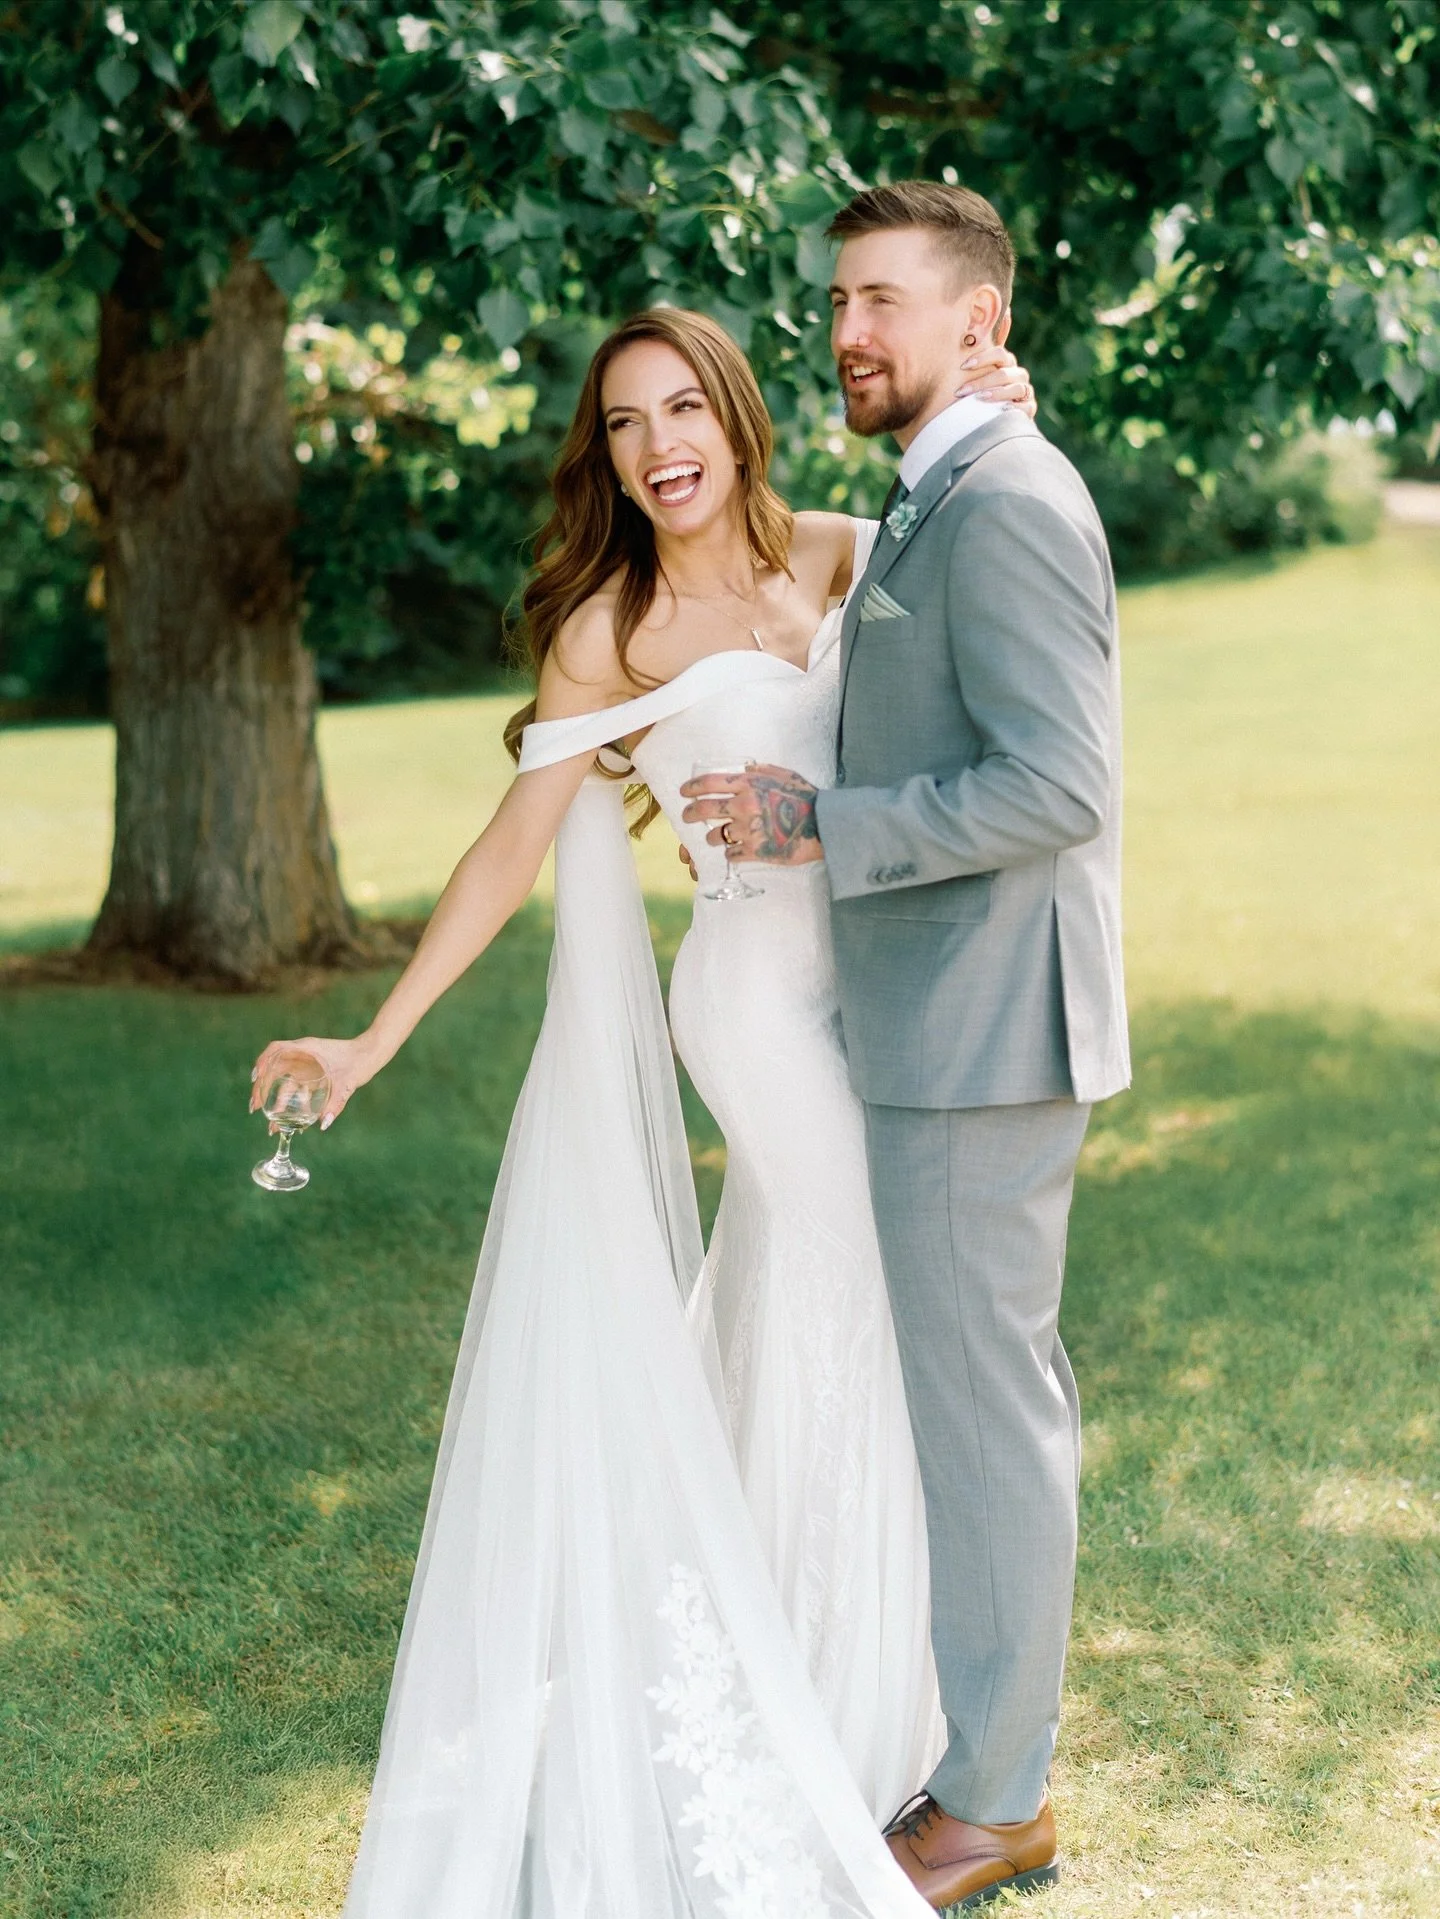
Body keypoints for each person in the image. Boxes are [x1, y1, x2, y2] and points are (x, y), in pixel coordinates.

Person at [250, 301, 1034, 1916]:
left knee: (811, 1319)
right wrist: (374, 1040)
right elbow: (509, 845)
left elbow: (976, 566)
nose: (659, 444)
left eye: (683, 407)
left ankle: (895, 1706)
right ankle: (833, 1713)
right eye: (623, 422)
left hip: (879, 995)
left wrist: (999, 403)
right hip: (754, 1004)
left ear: (738, 416)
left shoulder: (834, 552)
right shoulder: (611, 627)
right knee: (872, 1307)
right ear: (602, 454)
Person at [683, 182, 1129, 1913]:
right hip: (939, 1019)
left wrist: (823, 822)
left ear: (978, 324)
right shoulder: (946, 477)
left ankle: (993, 1800)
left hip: (984, 1027)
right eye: (843, 299)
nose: (849, 329)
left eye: (884, 299)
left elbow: (1059, 782)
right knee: (978, 1401)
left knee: (987, 1414)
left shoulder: (1008, 497)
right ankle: (975, 1756)